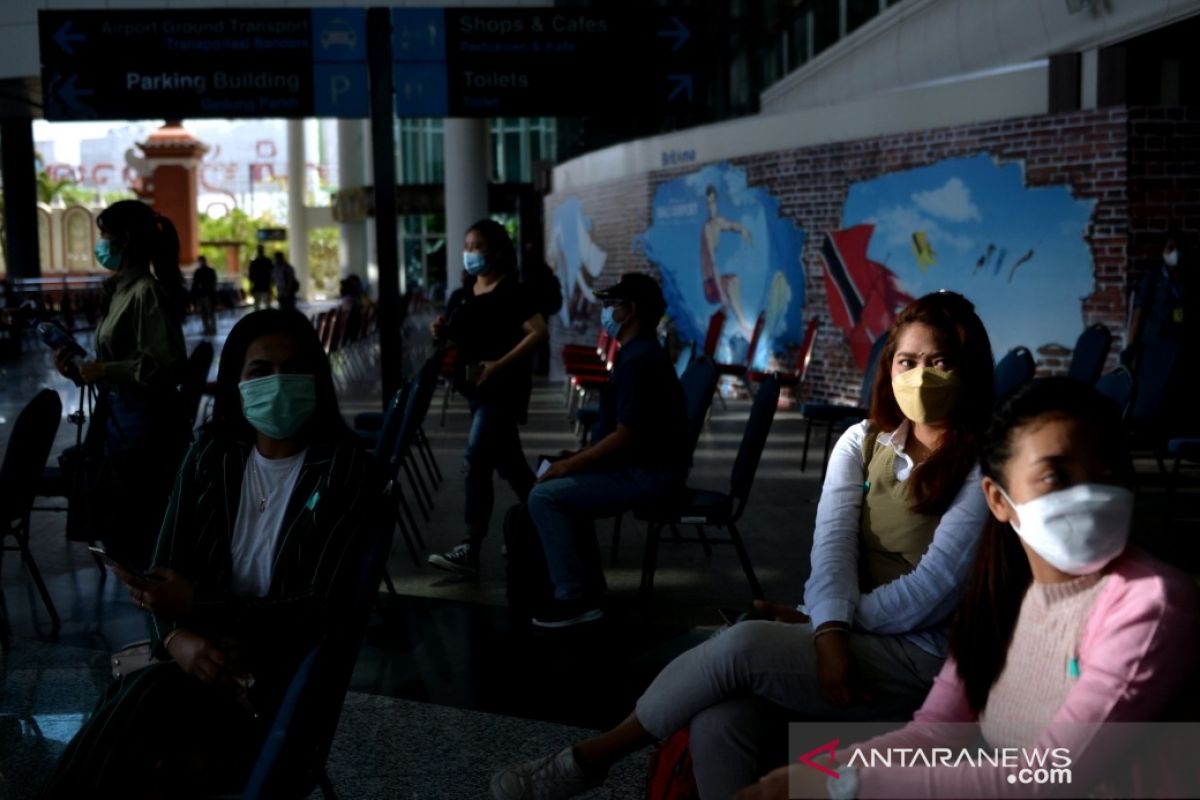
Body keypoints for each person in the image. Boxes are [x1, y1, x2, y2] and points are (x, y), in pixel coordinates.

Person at [490, 290, 996, 800]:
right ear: (889, 368)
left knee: (743, 645)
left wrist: (825, 625)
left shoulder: (985, 466)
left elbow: (934, 590)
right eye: (907, 361)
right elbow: (832, 549)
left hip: (923, 658)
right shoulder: (862, 441)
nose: (920, 376)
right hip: (841, 629)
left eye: (940, 362)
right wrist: (827, 626)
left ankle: (590, 759)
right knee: (719, 720)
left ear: (968, 372)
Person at [740, 377, 1200, 799]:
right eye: (1056, 476)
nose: (1092, 492)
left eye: (1109, 470)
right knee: (732, 722)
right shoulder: (998, 597)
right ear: (998, 499)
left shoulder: (1152, 602)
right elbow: (934, 735)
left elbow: (1048, 775)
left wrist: (846, 782)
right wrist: (821, 773)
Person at [40, 309, 387, 798]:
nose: (279, 383)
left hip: (267, 685)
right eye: (260, 372)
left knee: (140, 706)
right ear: (236, 382)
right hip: (192, 666)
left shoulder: (344, 473)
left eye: (293, 369)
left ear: (316, 376)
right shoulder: (211, 457)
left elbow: (316, 608)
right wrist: (177, 637)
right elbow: (165, 574)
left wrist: (197, 609)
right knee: (138, 713)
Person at [526, 273, 688, 628]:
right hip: (640, 467)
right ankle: (589, 588)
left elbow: (626, 437)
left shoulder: (638, 362)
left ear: (630, 311)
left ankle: (574, 598)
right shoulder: (639, 354)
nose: (606, 312)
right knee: (559, 482)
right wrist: (576, 458)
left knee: (545, 498)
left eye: (611, 305)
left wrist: (571, 466)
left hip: (648, 475)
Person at [54, 199, 190, 567]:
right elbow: (120, 362)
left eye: (105, 236)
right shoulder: (121, 292)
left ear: (124, 241)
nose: (101, 244)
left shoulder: (146, 292)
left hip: (142, 428)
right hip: (119, 418)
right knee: (122, 525)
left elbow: (167, 366)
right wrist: (81, 370)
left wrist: (106, 371)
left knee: (135, 529)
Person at [427, 219, 548, 576]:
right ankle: (550, 518)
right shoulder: (464, 293)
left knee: (477, 457)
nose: (469, 253)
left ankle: (470, 545)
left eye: (476, 246)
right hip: (476, 391)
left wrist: (499, 364)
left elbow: (538, 332)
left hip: (502, 389)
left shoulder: (513, 291)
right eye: (466, 245)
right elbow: (455, 338)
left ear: (495, 250)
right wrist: (441, 333)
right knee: (512, 466)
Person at [702, 183, 754, 339]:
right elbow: (713, 264)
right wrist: (722, 293)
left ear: (716, 203)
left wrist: (744, 231)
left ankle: (743, 322)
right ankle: (744, 324)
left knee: (735, 280)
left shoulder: (718, 222)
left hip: (716, 279)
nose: (711, 208)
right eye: (708, 204)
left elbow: (732, 225)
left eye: (713, 203)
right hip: (710, 286)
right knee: (731, 285)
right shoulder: (708, 229)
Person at [191, 254, 217, 335]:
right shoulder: (209, 271)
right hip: (206, 294)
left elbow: (195, 284)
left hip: (204, 295)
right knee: (208, 313)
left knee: (206, 313)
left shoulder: (199, 272)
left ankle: (209, 328)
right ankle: (211, 328)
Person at [248, 245, 273, 310]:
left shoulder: (254, 262)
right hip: (264, 286)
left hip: (259, 286)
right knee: (265, 305)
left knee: (257, 305)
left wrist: (250, 286)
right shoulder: (267, 261)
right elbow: (271, 274)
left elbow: (251, 276)